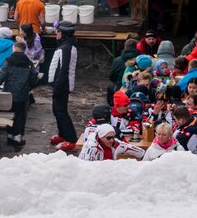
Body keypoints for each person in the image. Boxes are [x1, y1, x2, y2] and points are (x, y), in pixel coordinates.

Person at [0, 40, 36, 148]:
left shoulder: (9, 60)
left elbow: (3, 74)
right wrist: (28, 87)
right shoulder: (29, 63)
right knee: (20, 115)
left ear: (14, 48)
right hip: (22, 94)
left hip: (9, 93)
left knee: (10, 115)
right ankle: (18, 137)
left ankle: (10, 136)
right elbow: (33, 78)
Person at [48, 21, 79, 149]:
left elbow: (64, 69)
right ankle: (63, 134)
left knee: (61, 112)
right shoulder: (65, 46)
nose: (56, 34)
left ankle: (71, 139)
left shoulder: (67, 48)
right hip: (60, 83)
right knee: (57, 110)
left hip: (63, 84)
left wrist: (58, 86)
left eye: (58, 32)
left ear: (64, 34)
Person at [79, 124, 144, 161]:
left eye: (113, 137)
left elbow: (129, 148)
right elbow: (86, 168)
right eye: (109, 138)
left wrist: (144, 156)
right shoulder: (92, 147)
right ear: (100, 137)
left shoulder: (114, 143)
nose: (112, 140)